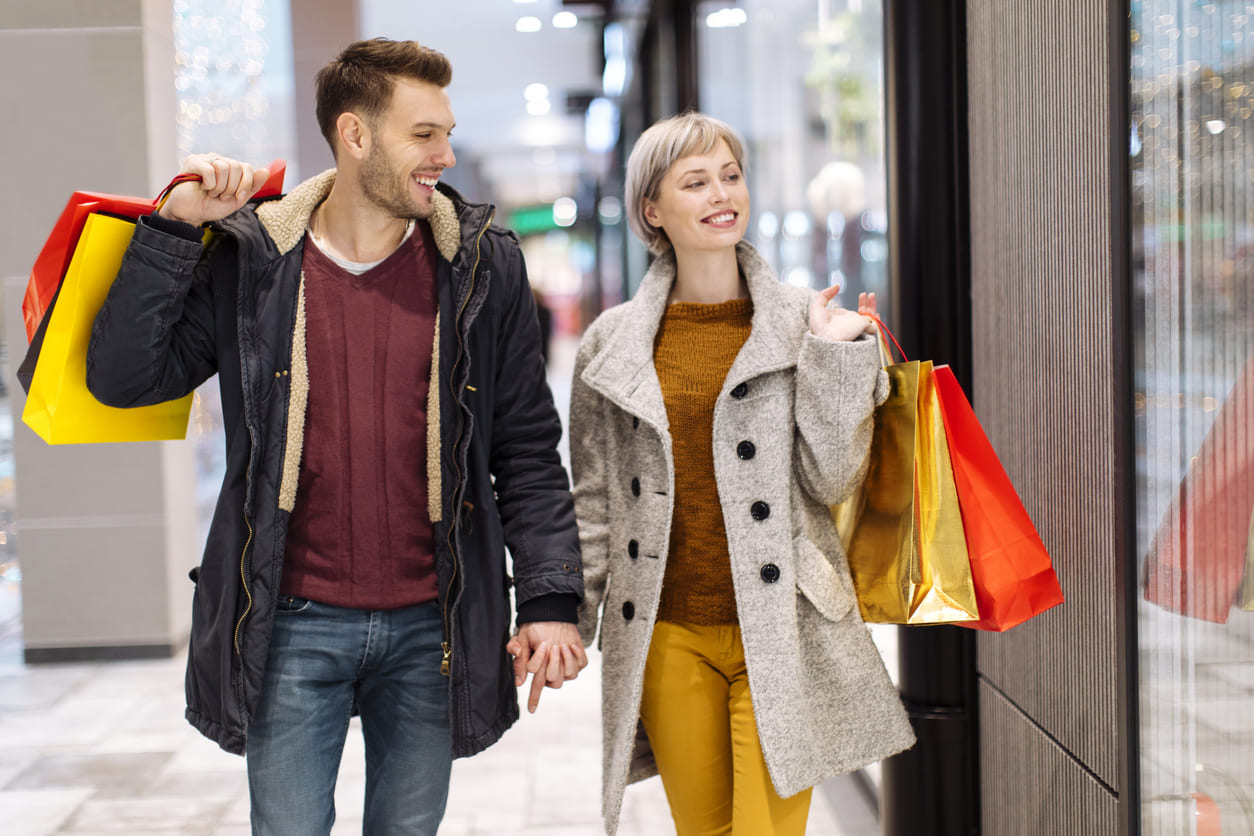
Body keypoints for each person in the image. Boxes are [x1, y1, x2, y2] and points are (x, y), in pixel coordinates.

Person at [87, 38, 587, 836]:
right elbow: (121, 380)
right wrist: (176, 228)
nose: (445, 154)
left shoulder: (481, 268)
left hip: (435, 624)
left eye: (446, 133)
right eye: (424, 134)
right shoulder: (254, 260)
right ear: (356, 137)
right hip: (289, 620)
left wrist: (551, 599)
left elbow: (524, 447)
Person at [569, 112, 915, 836]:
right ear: (653, 209)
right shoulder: (612, 342)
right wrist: (566, 621)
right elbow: (596, 501)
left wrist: (836, 362)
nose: (721, 193)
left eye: (730, 175)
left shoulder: (799, 320)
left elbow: (832, 480)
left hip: (781, 627)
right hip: (665, 631)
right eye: (695, 182)